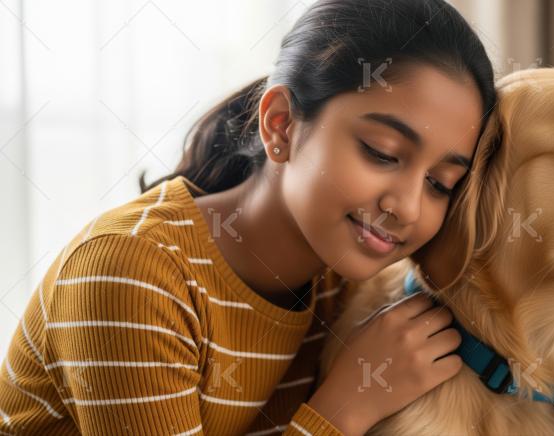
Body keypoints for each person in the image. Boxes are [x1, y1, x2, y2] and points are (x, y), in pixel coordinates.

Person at [0, 0, 497, 434]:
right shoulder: (131, 272)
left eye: (440, 184)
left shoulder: (345, 282)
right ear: (280, 124)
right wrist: (343, 411)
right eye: (381, 152)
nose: (406, 207)